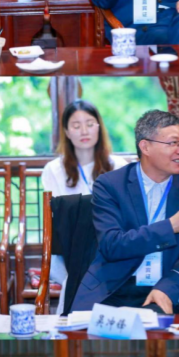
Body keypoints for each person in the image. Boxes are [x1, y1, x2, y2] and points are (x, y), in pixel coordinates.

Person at [72, 109, 179, 314]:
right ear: (145, 146)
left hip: (163, 287)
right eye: (173, 143)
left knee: (162, 330)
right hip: (113, 287)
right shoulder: (110, 185)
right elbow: (112, 245)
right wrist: (170, 227)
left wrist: (168, 287)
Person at [41, 100, 128, 314]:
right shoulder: (53, 170)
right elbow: (55, 222)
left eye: (89, 124)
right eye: (76, 125)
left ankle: (75, 318)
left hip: (110, 249)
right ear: (66, 132)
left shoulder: (119, 166)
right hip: (68, 254)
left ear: (99, 127)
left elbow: (126, 217)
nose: (84, 131)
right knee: (82, 274)